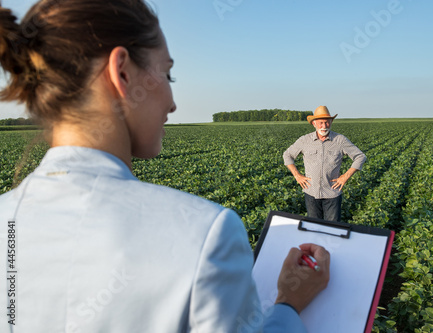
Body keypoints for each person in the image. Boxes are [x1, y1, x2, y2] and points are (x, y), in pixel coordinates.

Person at [0, 1, 330, 332]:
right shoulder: (207, 234)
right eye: (167, 72)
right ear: (123, 73)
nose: (172, 103)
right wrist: (288, 305)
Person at [283, 105, 366, 222]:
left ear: (331, 122)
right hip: (311, 192)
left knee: (332, 228)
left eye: (327, 122)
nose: (324, 126)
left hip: (332, 193)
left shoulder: (340, 140)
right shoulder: (304, 140)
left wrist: (345, 177)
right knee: (313, 227)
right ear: (314, 124)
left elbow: (360, 156)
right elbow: (287, 155)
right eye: (321, 123)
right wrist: (297, 175)